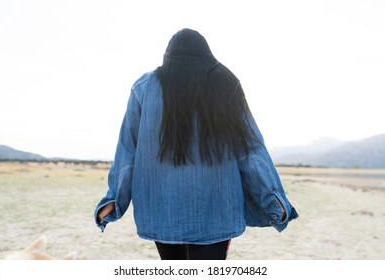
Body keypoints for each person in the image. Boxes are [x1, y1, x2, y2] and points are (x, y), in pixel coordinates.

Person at [94, 28, 298, 260]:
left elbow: (127, 152)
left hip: (162, 209)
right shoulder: (226, 84)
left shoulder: (144, 87)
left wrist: (114, 199)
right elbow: (250, 149)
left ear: (167, 56)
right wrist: (272, 198)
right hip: (216, 208)